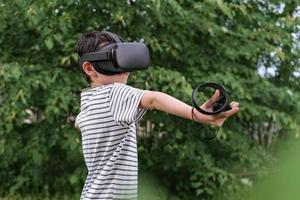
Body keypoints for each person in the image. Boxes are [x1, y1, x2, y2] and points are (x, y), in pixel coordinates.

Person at [74, 31, 239, 200]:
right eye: (114, 60)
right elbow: (153, 99)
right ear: (89, 68)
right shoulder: (114, 92)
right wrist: (196, 114)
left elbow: (79, 122)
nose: (124, 67)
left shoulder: (87, 100)